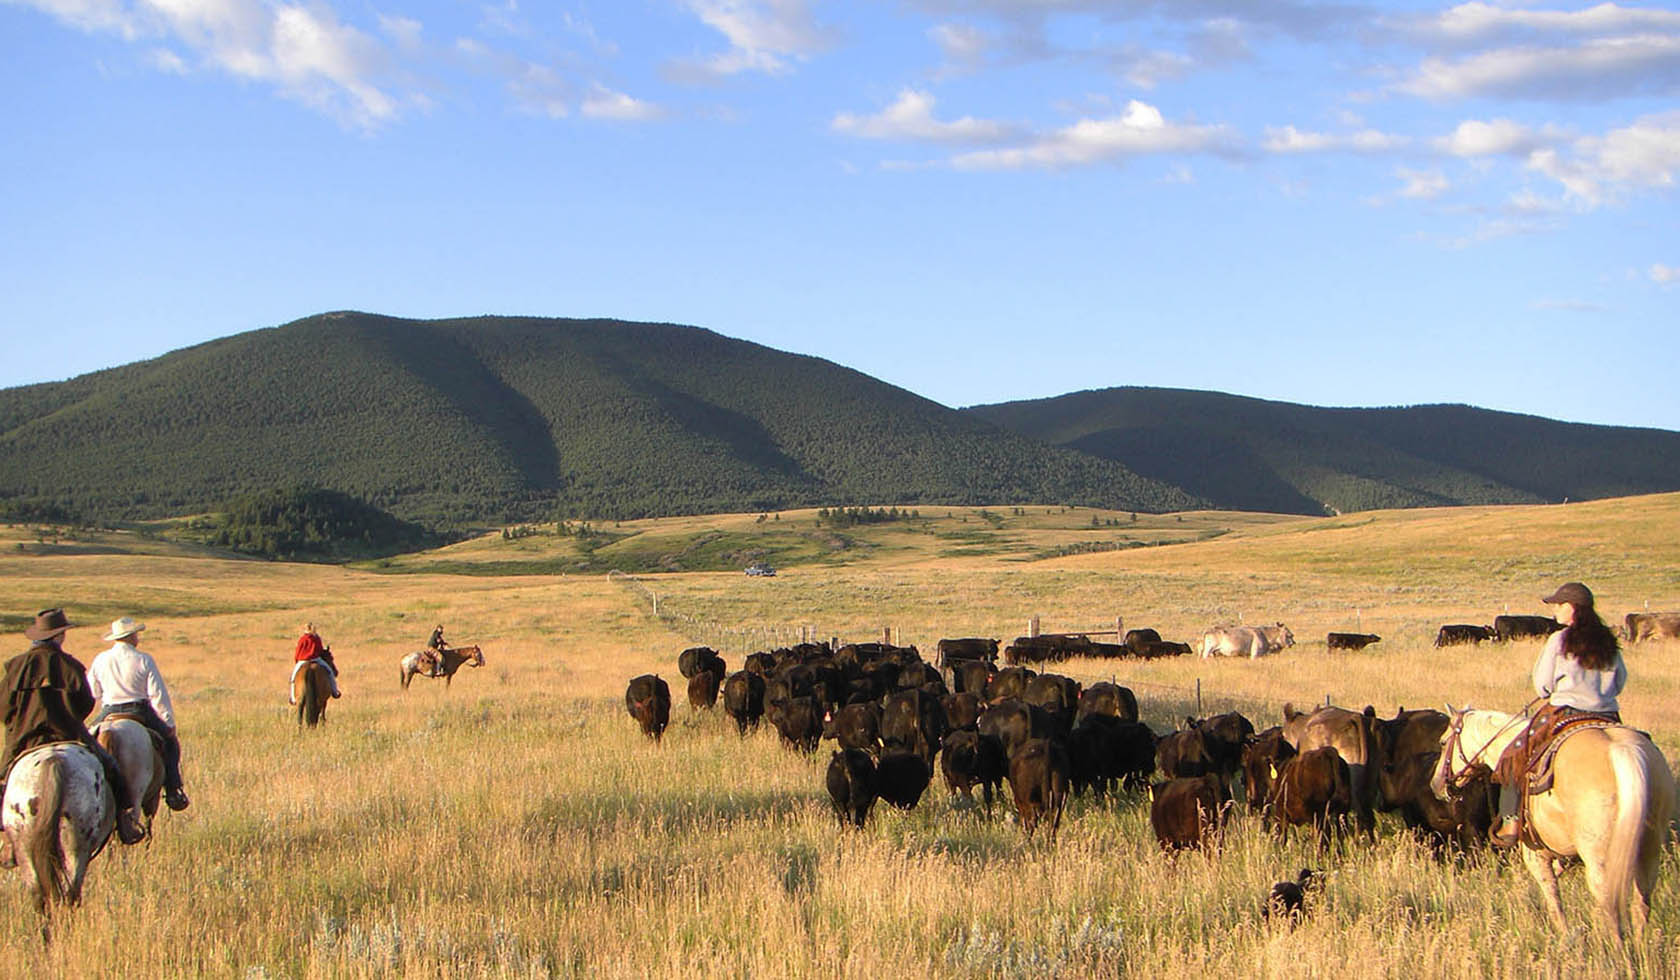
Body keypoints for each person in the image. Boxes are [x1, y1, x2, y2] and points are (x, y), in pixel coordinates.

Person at [0, 609, 145, 867]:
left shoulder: (15, 667)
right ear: (60, 635)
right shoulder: (70, 666)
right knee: (112, 770)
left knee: (3, 780)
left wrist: (21, 721)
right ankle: (124, 824)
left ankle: (9, 840)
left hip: (25, 739)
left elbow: (3, 708)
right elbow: (85, 704)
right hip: (68, 735)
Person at [1490, 581, 1626, 846]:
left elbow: (1542, 685)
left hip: (1566, 713)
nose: (1555, 610)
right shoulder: (1609, 639)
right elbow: (1620, 682)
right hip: (1608, 715)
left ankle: (1511, 823)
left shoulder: (1559, 640)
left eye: (1559, 604)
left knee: (1513, 756)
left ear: (1572, 607)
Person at [86, 617, 190, 811]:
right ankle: (173, 789)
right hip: (139, 710)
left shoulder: (100, 659)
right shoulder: (144, 659)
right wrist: (168, 723)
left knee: (84, 744)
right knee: (170, 744)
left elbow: (93, 692)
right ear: (130, 636)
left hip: (109, 711)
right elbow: (157, 694)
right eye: (135, 634)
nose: (137, 637)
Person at [289, 622, 340, 703]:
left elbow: (298, 652)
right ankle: (335, 691)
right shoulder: (317, 638)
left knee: (293, 678)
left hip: (303, 660)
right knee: (330, 672)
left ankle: (293, 697)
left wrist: (297, 661)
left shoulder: (302, 639)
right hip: (316, 659)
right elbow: (320, 650)